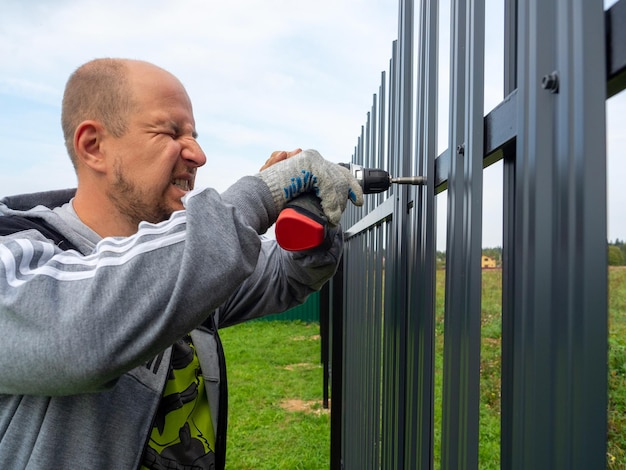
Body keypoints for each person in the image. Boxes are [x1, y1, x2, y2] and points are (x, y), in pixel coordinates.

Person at [0, 58, 363, 469]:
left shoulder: (190, 266)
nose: (198, 155)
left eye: (194, 135)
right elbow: (77, 338)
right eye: (171, 132)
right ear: (94, 147)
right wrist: (262, 195)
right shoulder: (16, 254)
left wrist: (311, 223)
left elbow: (284, 275)